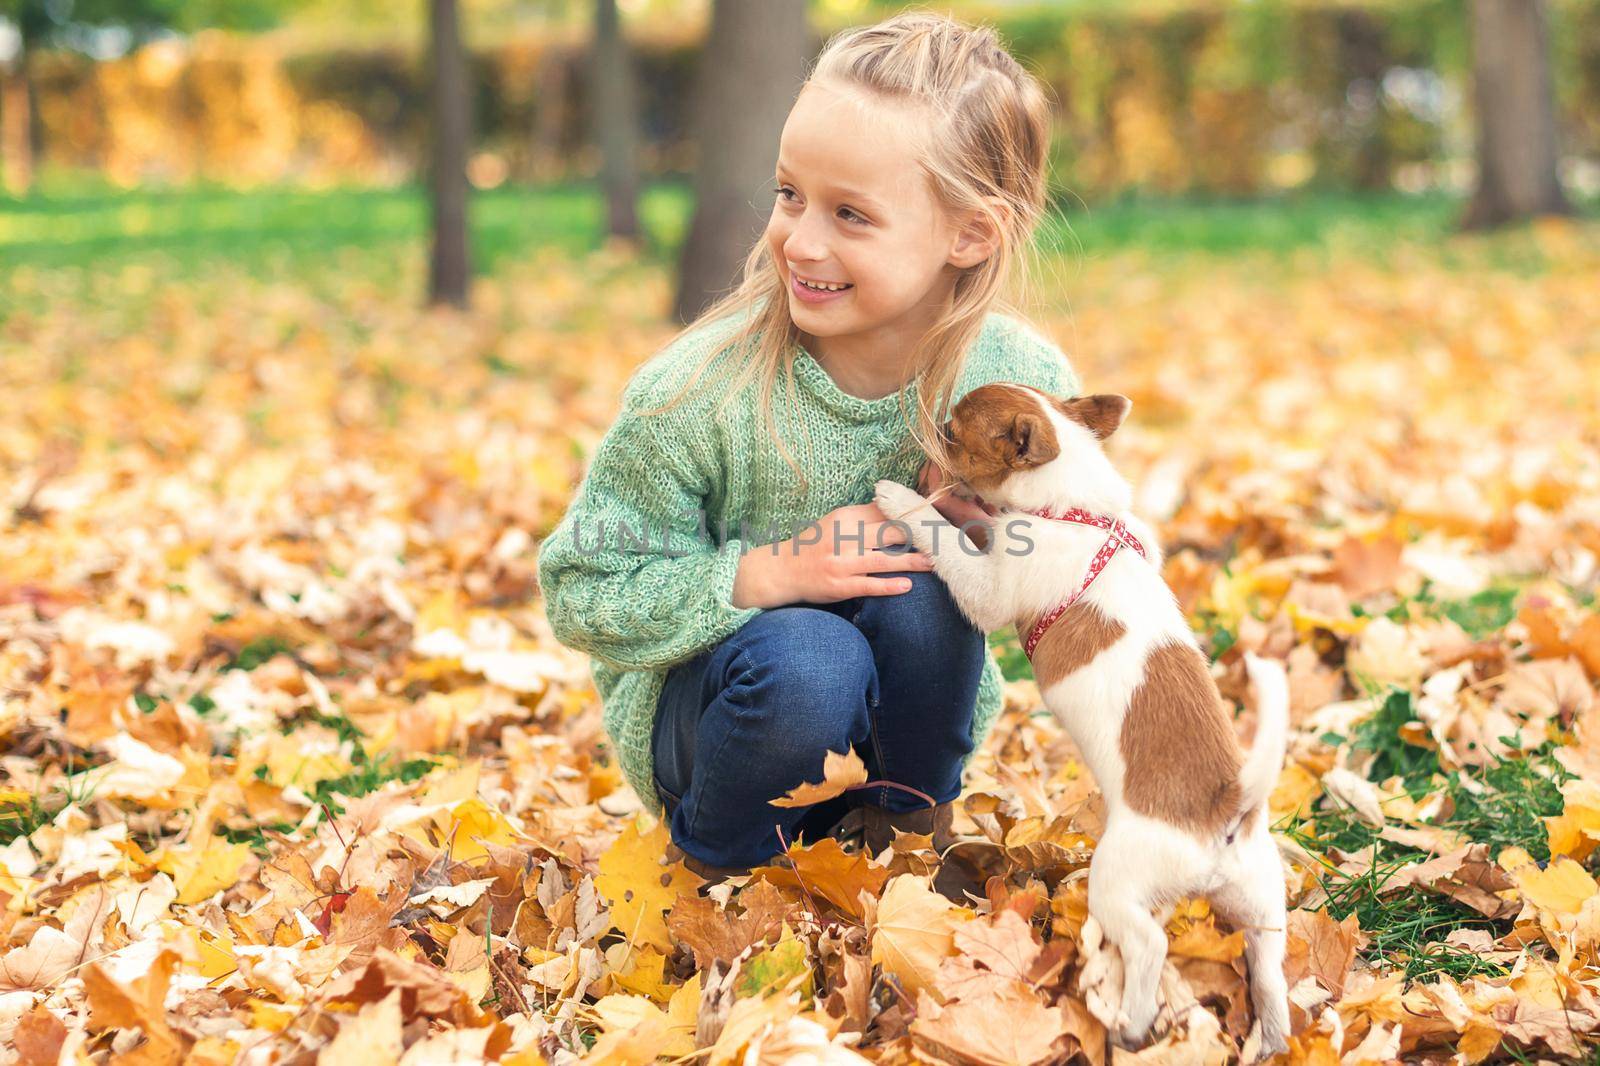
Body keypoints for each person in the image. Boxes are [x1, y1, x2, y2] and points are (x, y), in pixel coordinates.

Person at [536, 11, 1081, 899]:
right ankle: (721, 880)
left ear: (971, 234)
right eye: (790, 195)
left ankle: (904, 850)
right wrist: (765, 574)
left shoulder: (1019, 384)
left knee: (922, 592)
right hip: (729, 735)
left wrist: (994, 539)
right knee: (813, 660)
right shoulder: (698, 393)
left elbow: (1069, 581)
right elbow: (581, 590)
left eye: (851, 215)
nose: (803, 240)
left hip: (894, 745)